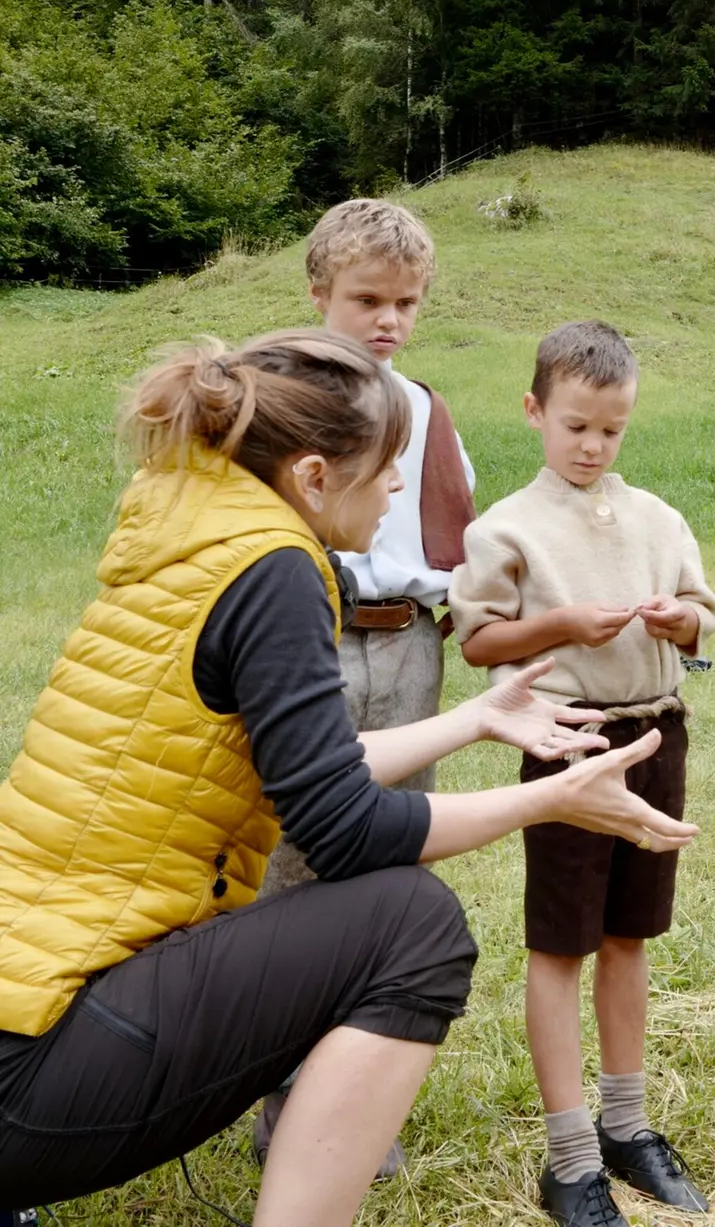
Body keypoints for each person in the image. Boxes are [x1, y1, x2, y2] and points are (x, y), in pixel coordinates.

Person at [0, 330, 695, 1227]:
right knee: (416, 922)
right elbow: (343, 828)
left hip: (26, 1009)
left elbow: (304, 767)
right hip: (38, 1061)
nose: (401, 488)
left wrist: (474, 718)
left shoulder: (192, 528)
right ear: (314, 476)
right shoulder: (273, 567)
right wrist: (550, 798)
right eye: (387, 467)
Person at [449, 321, 715, 1227]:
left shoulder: (658, 517)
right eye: (575, 426)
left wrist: (678, 618)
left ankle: (626, 1123)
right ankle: (570, 1156)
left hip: (658, 737)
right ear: (534, 411)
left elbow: (701, 618)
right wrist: (564, 623)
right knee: (561, 942)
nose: (593, 445)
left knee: (629, 934)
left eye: (611, 429)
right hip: (568, 745)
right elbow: (481, 638)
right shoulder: (506, 528)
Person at [255, 198, 476, 1170]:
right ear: (318, 294)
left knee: (392, 856)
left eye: (407, 302)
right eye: (367, 299)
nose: (388, 319)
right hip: (312, 638)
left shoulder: (424, 407)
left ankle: (352, 1091)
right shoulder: (279, 400)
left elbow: (459, 532)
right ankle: (279, 1087)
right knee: (296, 857)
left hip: (409, 647)